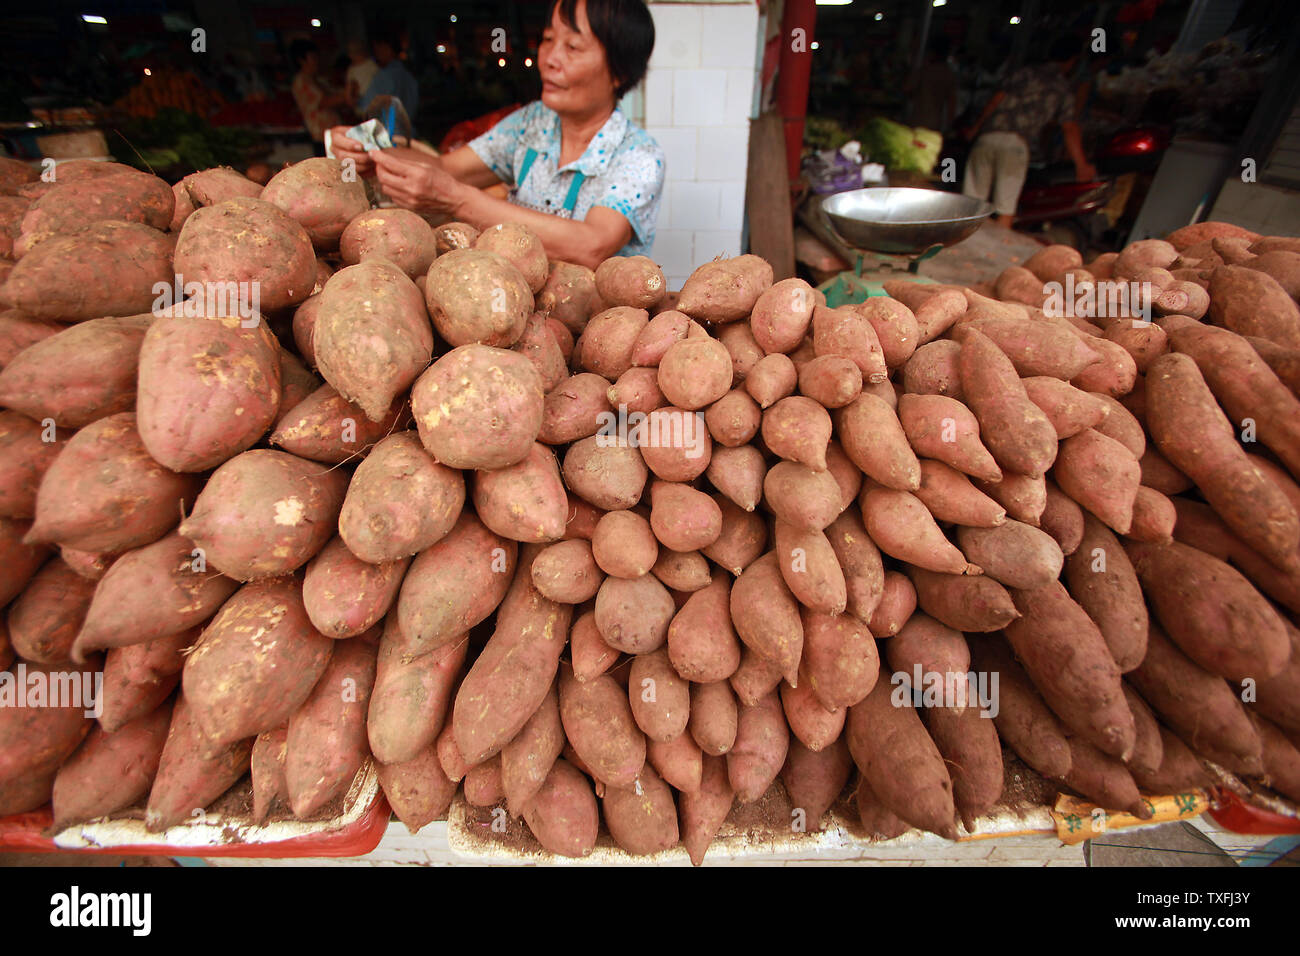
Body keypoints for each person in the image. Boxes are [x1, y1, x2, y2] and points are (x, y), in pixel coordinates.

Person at [330, 0, 662, 269]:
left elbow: (592, 246)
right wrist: (370, 152)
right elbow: (446, 169)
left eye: (572, 47)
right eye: (547, 40)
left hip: (594, 330)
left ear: (619, 71)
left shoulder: (639, 156)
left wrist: (459, 199)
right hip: (512, 305)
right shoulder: (532, 122)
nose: (549, 60)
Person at [961, 36, 1098, 227]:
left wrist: (975, 129)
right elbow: (1069, 127)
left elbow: (996, 99)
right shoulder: (1062, 87)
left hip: (988, 137)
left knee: (971, 203)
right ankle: (992, 253)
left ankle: (961, 246)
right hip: (1016, 145)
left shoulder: (1023, 72)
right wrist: (1081, 165)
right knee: (1005, 209)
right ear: (1072, 61)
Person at [290, 40, 347, 150]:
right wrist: (346, 95)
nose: (317, 61)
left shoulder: (318, 80)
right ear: (301, 61)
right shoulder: (301, 82)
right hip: (322, 137)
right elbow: (323, 102)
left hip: (334, 134)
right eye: (313, 58)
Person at [358, 30, 419, 122]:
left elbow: (367, 108)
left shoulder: (384, 76)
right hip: (408, 131)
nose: (376, 55)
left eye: (377, 50)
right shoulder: (408, 76)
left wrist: (356, 100)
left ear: (387, 48)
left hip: (388, 133)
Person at [345, 40, 380, 109]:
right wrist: (349, 99)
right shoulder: (351, 70)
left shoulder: (371, 65)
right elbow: (349, 87)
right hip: (361, 103)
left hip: (374, 99)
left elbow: (379, 80)